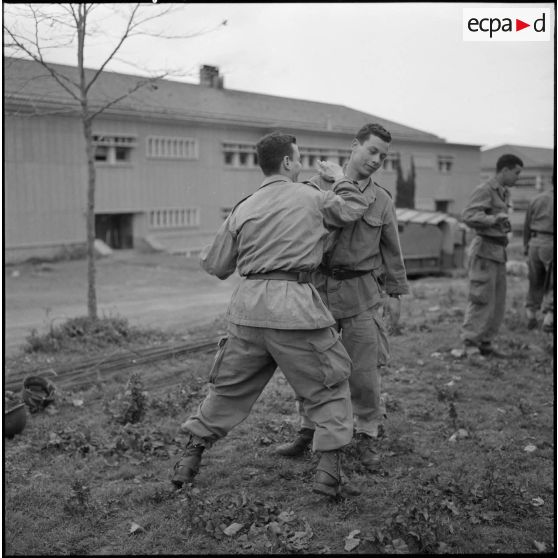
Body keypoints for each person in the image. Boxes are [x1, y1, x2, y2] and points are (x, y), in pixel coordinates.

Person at [171, 131, 370, 498]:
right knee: (328, 386)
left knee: (228, 390)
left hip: (247, 311)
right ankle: (327, 475)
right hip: (294, 308)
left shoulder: (243, 207)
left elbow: (216, 265)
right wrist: (341, 177)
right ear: (289, 163)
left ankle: (189, 458)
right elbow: (353, 210)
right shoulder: (312, 197)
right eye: (299, 156)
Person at [275, 123, 409, 470]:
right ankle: (309, 428)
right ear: (355, 146)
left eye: (383, 156)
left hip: (362, 294)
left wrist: (395, 293)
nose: (376, 160)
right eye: (372, 151)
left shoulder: (381, 200)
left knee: (364, 371)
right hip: (316, 292)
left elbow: (391, 250)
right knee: (312, 367)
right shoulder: (312, 189)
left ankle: (367, 431)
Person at [461, 153, 523, 357]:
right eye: (516, 173)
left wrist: (499, 222)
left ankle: (486, 342)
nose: (518, 178)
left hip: (498, 251)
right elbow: (469, 215)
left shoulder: (503, 193)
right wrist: (494, 219)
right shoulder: (485, 189)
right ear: (504, 170)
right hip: (485, 251)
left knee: (497, 300)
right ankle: (470, 342)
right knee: (481, 297)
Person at [523, 183, 554, 332]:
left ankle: (531, 315)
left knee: (535, 281)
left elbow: (526, 225)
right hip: (551, 242)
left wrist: (525, 246)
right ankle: (550, 318)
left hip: (534, 243)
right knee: (553, 283)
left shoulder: (536, 199)